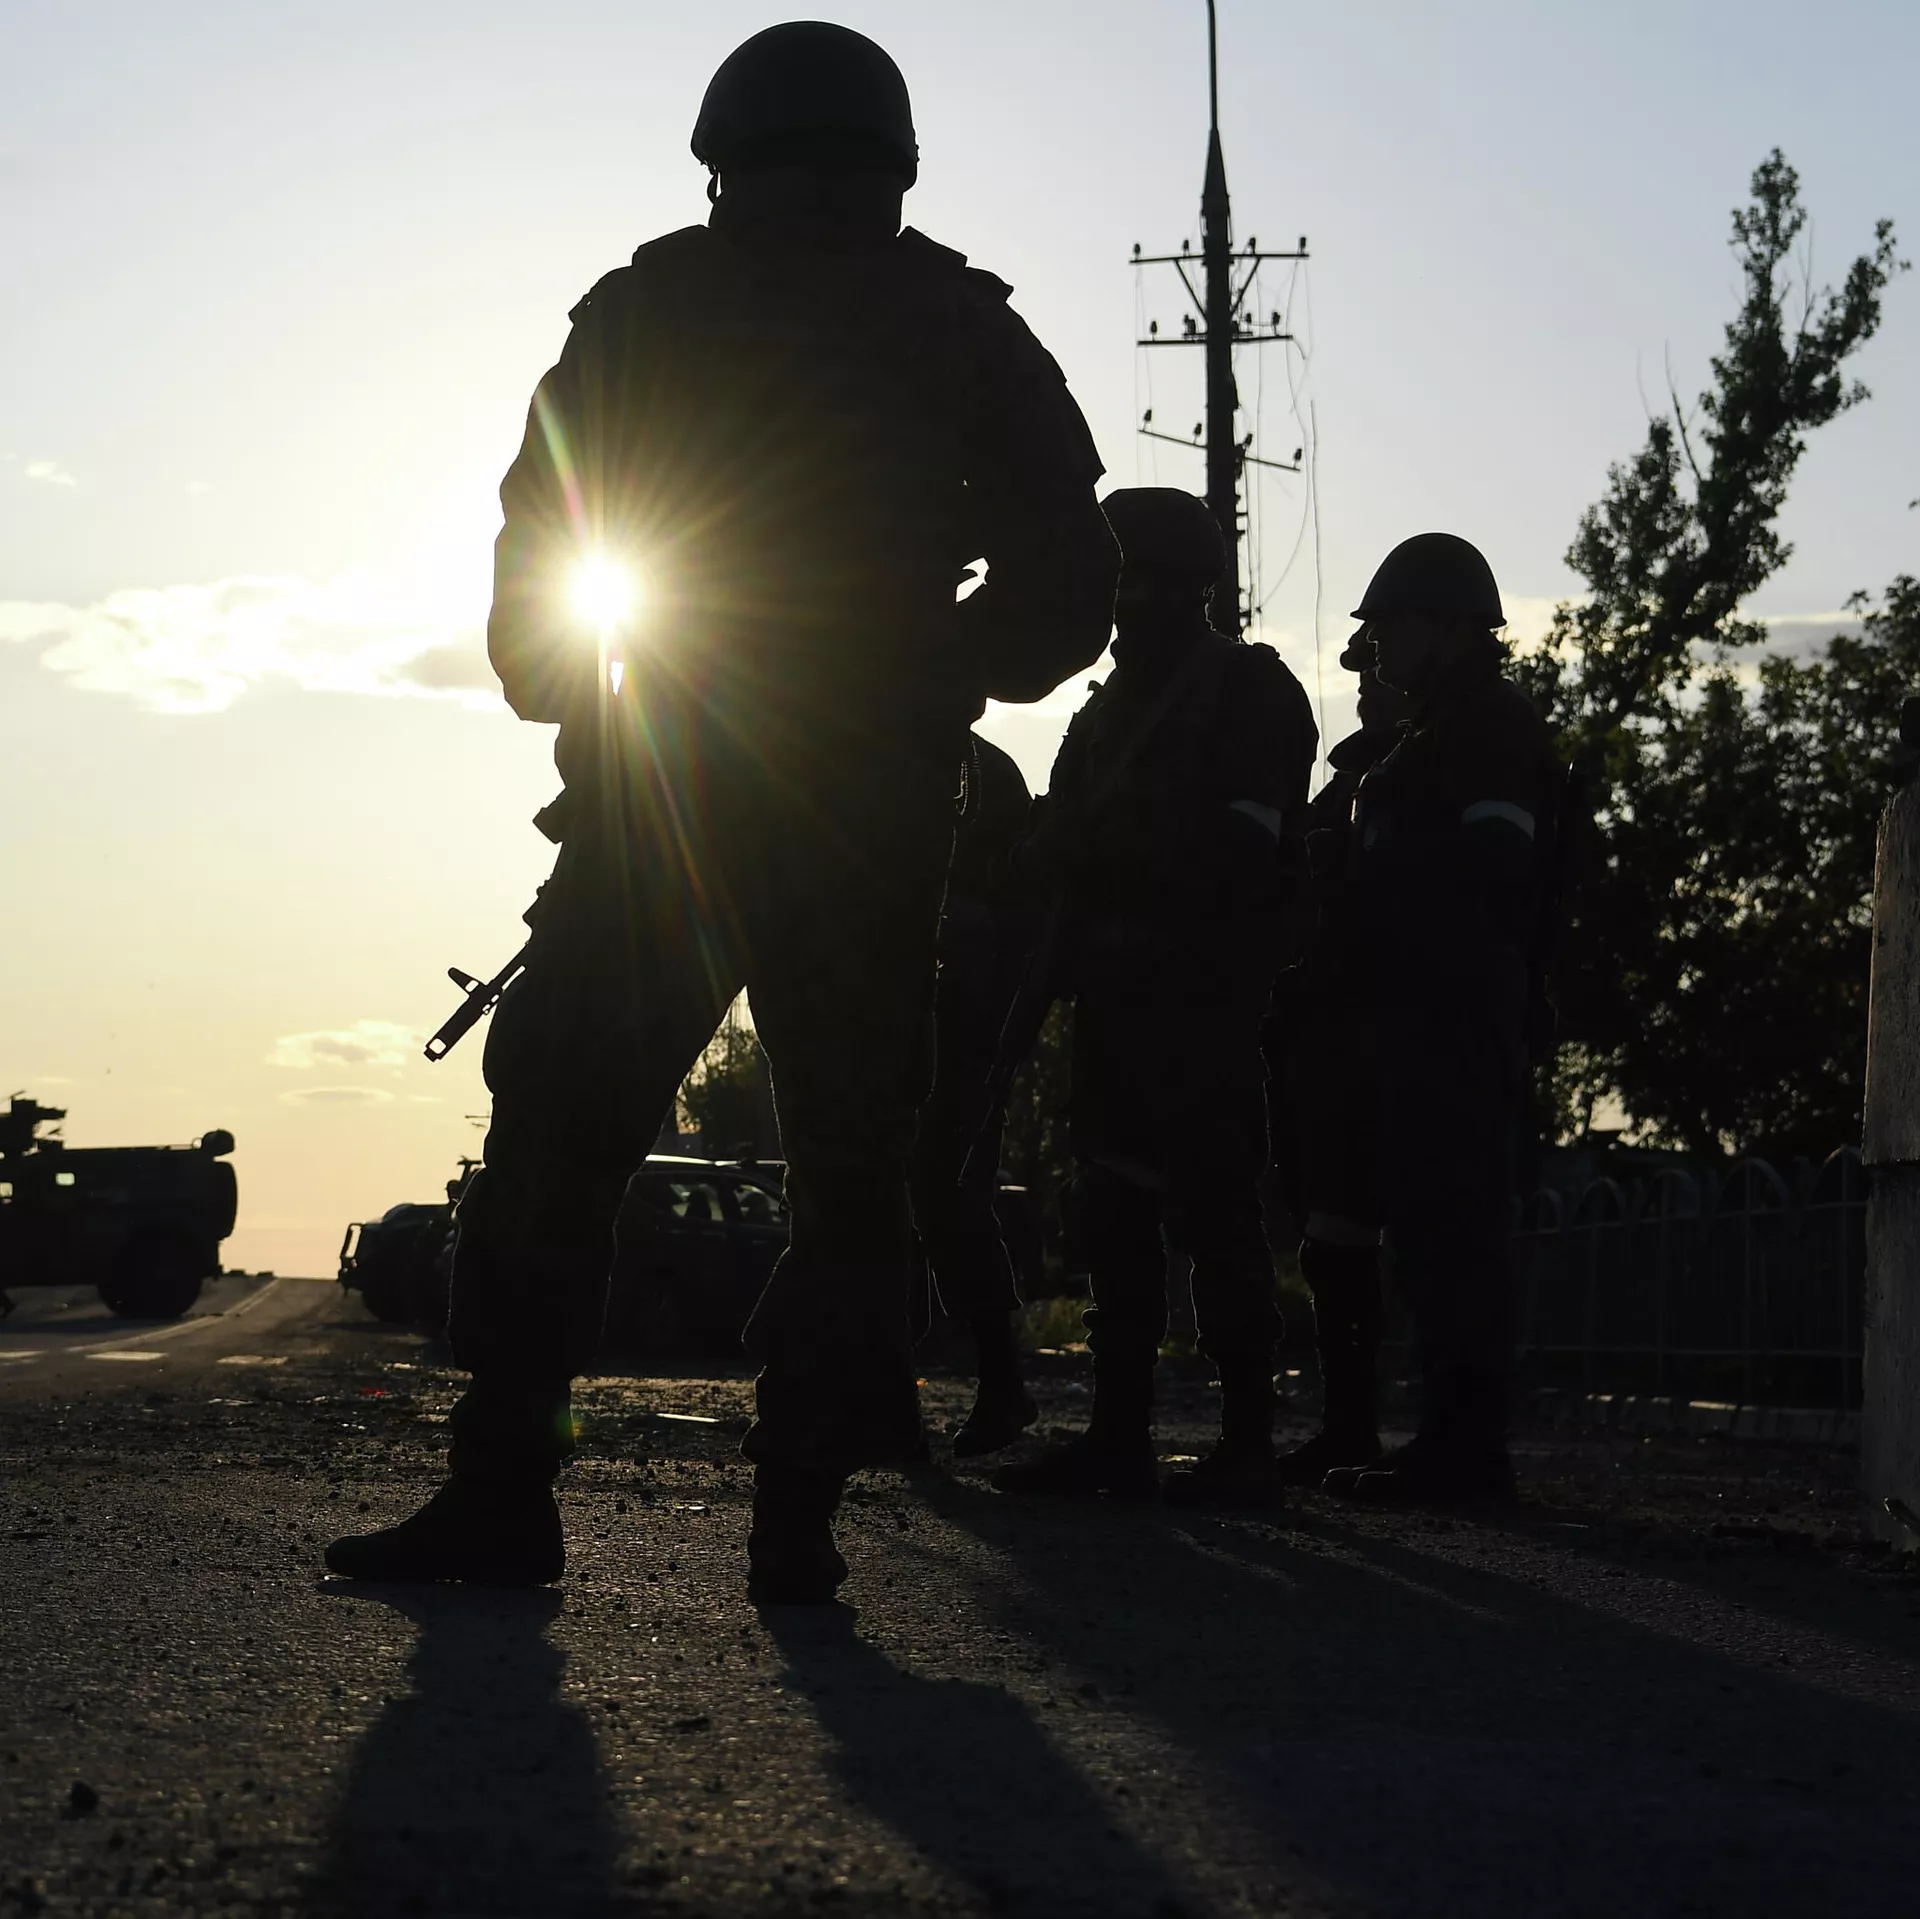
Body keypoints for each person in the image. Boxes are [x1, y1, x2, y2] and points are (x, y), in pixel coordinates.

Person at [326, 22, 1118, 1602]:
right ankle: (793, 1523)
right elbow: (1070, 583)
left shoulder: (651, 309)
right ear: (894, 164)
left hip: (672, 794)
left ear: (722, 159)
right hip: (852, 811)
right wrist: (932, 676)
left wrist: (579, 700)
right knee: (847, 1166)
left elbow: (542, 542)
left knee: (565, 1136)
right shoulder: (960, 326)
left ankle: (508, 1489)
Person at [993, 487, 1318, 1506]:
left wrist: (1105, 855)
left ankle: (1247, 1442)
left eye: (1117, 577)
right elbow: (1056, 850)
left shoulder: (1246, 692)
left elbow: (1246, 849)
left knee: (1216, 1210)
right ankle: (1118, 1433)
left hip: (1202, 996)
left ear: (1161, 583)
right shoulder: (1103, 713)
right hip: (1115, 1000)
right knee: (1114, 1209)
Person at [1320, 533, 1560, 1504]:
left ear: (1450, 626)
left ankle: (1468, 1450)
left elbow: (1495, 871)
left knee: (1454, 1225)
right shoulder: (1433, 732)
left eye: (1391, 623)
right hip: (1414, 1011)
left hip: (1455, 1012)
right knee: (1424, 1229)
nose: (1375, 641)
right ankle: (1446, 1440)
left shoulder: (1489, 728)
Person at [1265, 626, 1410, 1486]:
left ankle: (1428, 1434)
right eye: (1360, 676)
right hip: (1328, 1034)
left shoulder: (1435, 769)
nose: (1365, 687)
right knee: (1330, 1235)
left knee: (1412, 1234)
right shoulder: (1355, 782)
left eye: (1379, 671)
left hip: (1392, 1031)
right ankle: (1348, 1425)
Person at [909, 731, 1042, 1456]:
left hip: (960, 1031)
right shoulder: (890, 746)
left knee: (947, 1198)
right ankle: (895, 1388)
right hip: (912, 1020)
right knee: (900, 1202)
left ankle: (999, 1382)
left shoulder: (980, 770)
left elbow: (1010, 913)